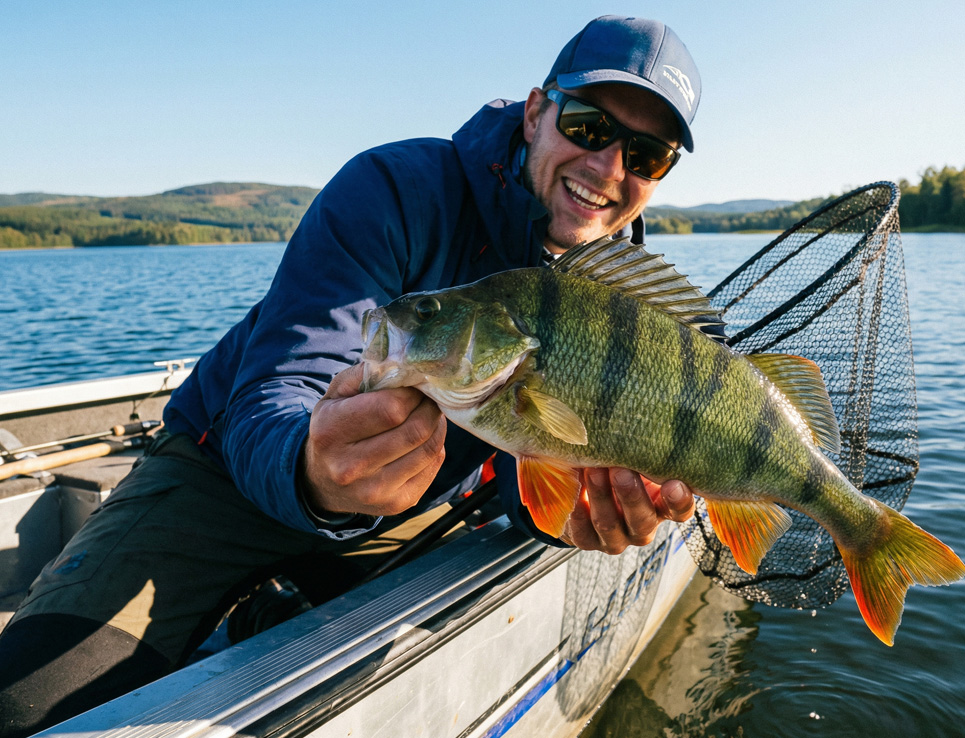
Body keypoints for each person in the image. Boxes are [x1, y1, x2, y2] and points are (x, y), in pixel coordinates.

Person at [0, 15, 702, 736]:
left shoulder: (630, 300)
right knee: (27, 705)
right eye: (588, 126)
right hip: (223, 478)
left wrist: (577, 515)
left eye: (647, 155)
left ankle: (276, 604)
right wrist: (312, 469)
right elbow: (280, 386)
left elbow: (525, 474)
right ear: (534, 113)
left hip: (409, 506)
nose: (609, 168)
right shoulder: (397, 190)